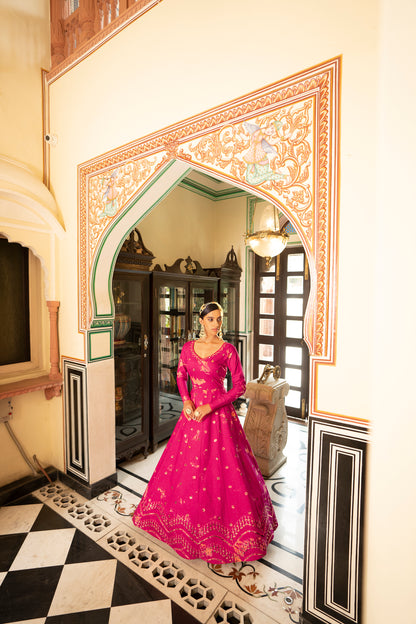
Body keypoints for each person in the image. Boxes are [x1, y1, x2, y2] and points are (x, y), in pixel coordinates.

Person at [132, 301, 277, 563]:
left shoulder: (228, 350)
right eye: (210, 319)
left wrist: (209, 406)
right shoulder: (188, 349)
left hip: (218, 417)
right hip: (192, 417)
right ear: (201, 321)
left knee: (224, 471)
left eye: (219, 319)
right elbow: (180, 375)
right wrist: (186, 400)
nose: (216, 324)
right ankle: (183, 527)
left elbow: (239, 387)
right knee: (186, 470)